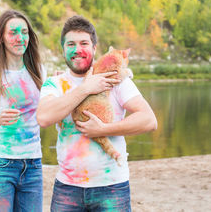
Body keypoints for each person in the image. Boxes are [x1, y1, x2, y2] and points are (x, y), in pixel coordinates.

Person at [36, 15, 157, 211]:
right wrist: (85, 88)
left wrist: (104, 129)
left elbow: (149, 120)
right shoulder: (54, 84)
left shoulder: (115, 79)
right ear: (63, 50)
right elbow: (43, 118)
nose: (77, 49)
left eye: (84, 43)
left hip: (112, 187)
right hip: (68, 189)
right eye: (71, 44)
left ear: (94, 48)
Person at [0, 10, 45, 211]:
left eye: (24, 32)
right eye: (13, 32)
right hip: (0, 165)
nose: (20, 38)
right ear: (1, 38)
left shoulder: (39, 70)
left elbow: (49, 111)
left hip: (33, 165)